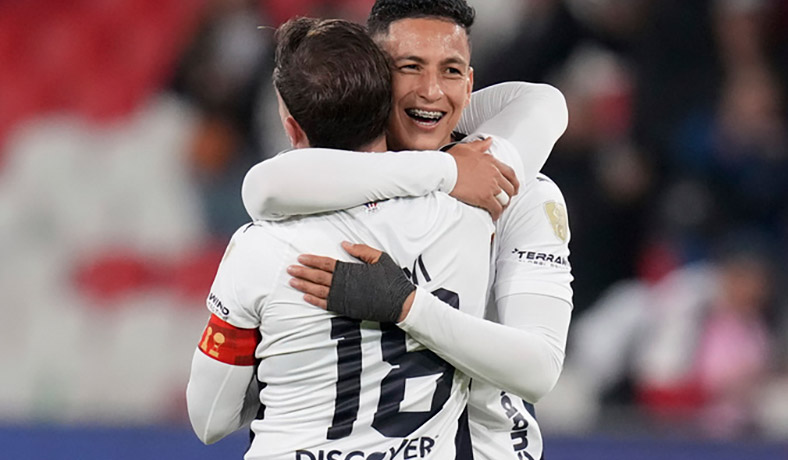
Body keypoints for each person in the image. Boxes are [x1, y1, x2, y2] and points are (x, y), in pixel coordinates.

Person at [240, 1, 573, 459]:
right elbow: (261, 188)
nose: (431, 91)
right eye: (410, 68)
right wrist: (441, 171)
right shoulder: (330, 184)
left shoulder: (519, 191)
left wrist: (408, 307)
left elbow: (538, 370)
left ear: (470, 81)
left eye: (451, 70)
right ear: (376, 78)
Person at [187, 17, 507, 459]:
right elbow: (544, 103)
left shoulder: (259, 247)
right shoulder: (467, 217)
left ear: (293, 128)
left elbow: (209, 420)